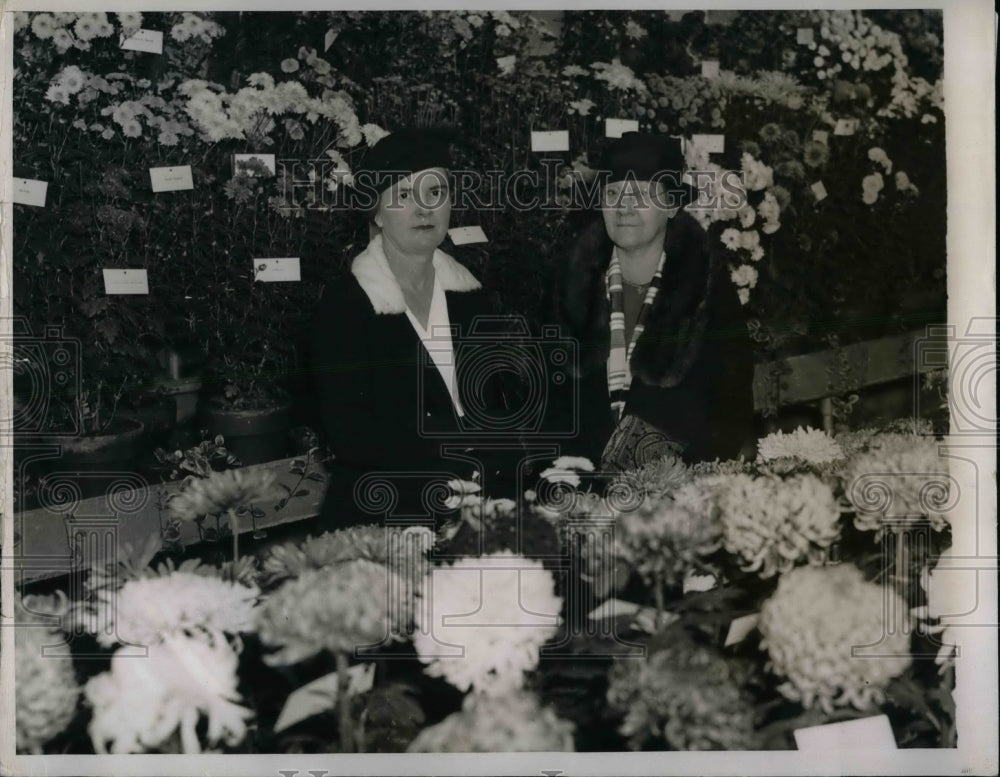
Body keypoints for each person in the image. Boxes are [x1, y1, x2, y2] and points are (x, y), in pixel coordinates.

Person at [304, 128, 517, 530]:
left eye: (435, 192)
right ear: (377, 212)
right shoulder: (347, 305)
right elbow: (352, 437)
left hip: (480, 506)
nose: (424, 210)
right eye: (403, 195)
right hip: (387, 515)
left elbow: (499, 410)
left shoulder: (472, 296)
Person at [550, 132, 754, 471]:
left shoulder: (706, 290)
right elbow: (549, 401)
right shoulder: (572, 286)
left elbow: (730, 407)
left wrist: (667, 477)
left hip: (679, 490)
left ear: (672, 205)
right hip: (580, 488)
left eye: (642, 195)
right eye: (613, 193)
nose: (624, 208)